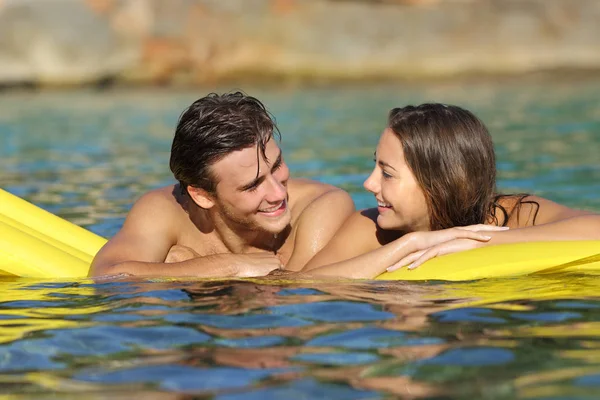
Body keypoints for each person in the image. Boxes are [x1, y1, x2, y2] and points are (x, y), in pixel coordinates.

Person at [302, 103, 600, 279]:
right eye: (374, 167)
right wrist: (410, 245)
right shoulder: (371, 228)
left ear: (438, 184)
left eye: (387, 174)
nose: (369, 183)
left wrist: (481, 243)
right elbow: (301, 287)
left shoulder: (511, 214)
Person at [90, 92, 362, 278]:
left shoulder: (321, 207)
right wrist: (225, 266)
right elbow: (107, 277)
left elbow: (296, 300)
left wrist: (181, 265)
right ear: (202, 195)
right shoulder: (163, 211)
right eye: (253, 185)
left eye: (277, 165)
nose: (279, 193)